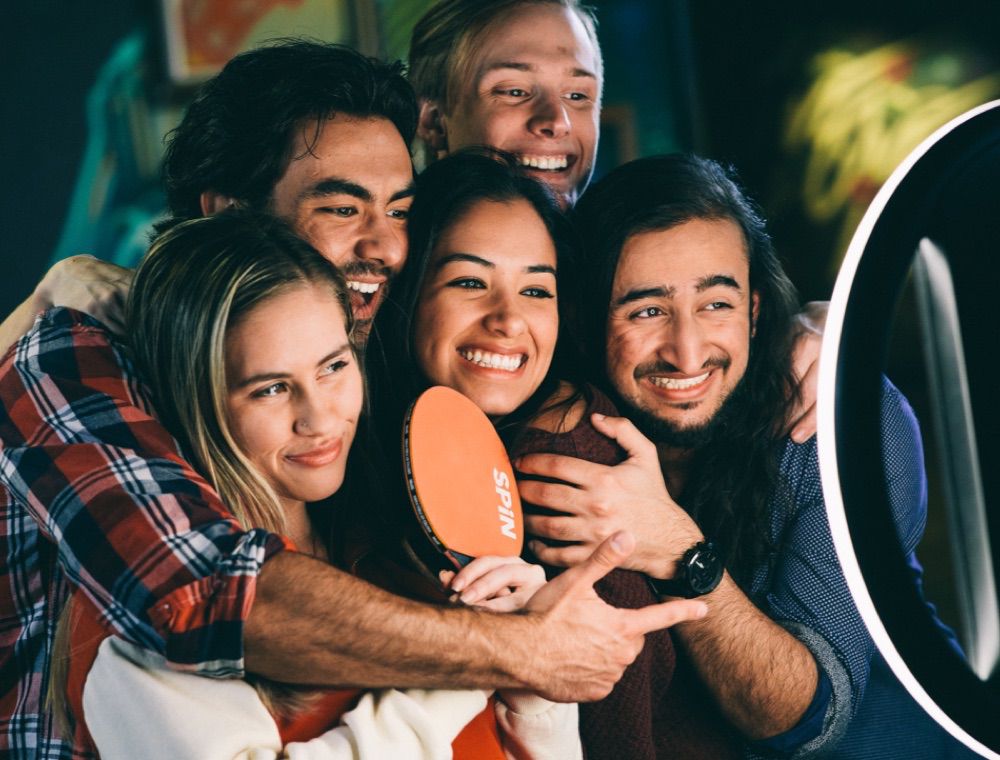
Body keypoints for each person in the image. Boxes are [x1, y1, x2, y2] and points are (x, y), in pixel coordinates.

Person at [0, 42, 696, 758]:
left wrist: (797, 333)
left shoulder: (380, 369)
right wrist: (522, 651)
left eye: (400, 210)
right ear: (229, 214)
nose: (387, 247)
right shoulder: (75, 354)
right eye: (341, 206)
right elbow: (207, 593)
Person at [54, 209, 582, 759]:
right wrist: (480, 663)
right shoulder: (146, 618)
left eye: (333, 367)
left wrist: (534, 692)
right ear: (198, 403)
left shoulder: (392, 547)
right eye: (271, 389)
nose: (321, 419)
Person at [516, 154, 973, 758]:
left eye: (716, 305)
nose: (687, 351)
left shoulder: (838, 422)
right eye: (647, 310)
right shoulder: (568, 428)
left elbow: (804, 717)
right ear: (580, 320)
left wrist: (679, 551)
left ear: (755, 311)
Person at [364, 148, 702, 759]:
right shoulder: (345, 443)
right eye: (469, 282)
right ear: (408, 292)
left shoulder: (573, 458)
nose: (508, 320)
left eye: (535, 290)